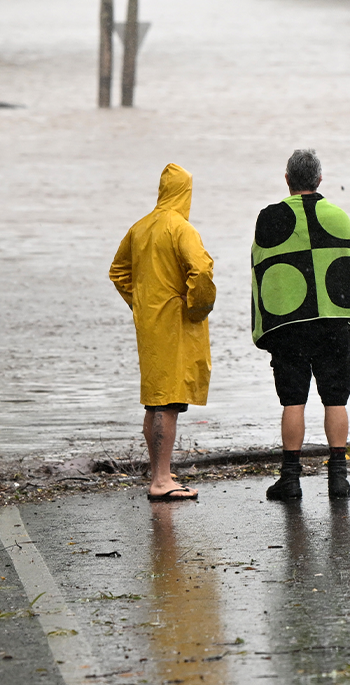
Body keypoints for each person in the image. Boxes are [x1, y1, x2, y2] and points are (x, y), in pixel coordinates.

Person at [252, 150, 350, 501]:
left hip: (289, 324)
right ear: (319, 180)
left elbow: (262, 274)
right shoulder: (339, 216)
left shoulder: (269, 218)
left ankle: (291, 478)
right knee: (335, 399)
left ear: (288, 180)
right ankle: (338, 478)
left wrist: (266, 326)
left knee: (293, 400)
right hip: (333, 322)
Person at [109, 163, 217, 502]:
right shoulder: (181, 228)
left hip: (150, 323)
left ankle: (161, 472)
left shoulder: (140, 228)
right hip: (175, 322)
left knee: (154, 400)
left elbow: (118, 271)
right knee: (167, 401)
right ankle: (159, 480)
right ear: (185, 192)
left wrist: (139, 301)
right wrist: (196, 307)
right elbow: (200, 270)